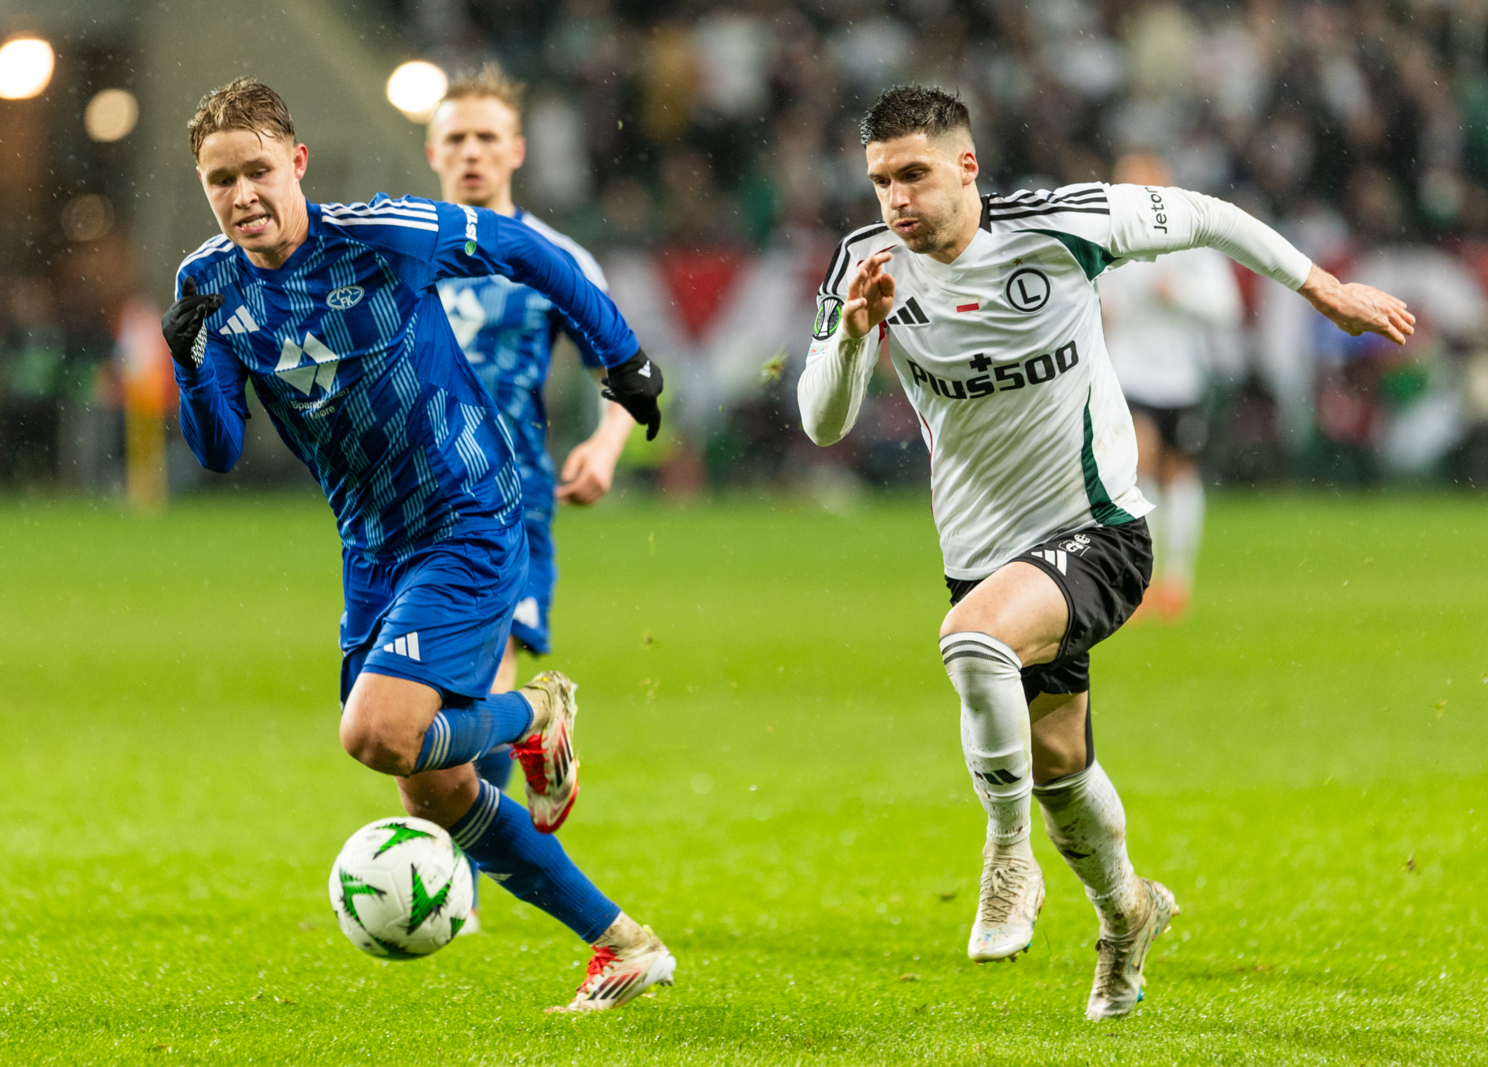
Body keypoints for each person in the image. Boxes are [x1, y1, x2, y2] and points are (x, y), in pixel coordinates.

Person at [797, 85, 1412, 1019]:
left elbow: (1205, 215)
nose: (896, 201)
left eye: (913, 174)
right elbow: (821, 421)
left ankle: (1007, 862)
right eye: (881, 181)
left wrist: (1321, 289)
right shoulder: (865, 264)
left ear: (966, 166)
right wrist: (850, 333)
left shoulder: (1062, 224)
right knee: (1057, 764)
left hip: (1099, 532)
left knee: (970, 642)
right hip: (987, 553)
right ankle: (1127, 913)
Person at [161, 77, 674, 1012]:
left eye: (259, 171)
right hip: (371, 550)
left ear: (298, 163)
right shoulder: (211, 287)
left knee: (375, 732)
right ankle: (622, 944)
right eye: (220, 180)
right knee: (434, 791)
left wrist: (625, 359)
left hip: (469, 517)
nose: (243, 196)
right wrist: (191, 366)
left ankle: (532, 713)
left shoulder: (381, 234)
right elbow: (221, 450)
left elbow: (523, 249)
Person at [423, 66, 638, 932]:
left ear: (514, 150)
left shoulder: (550, 256)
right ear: (433, 153)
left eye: (486, 138)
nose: (472, 152)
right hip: (410, 508)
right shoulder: (408, 247)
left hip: (507, 498)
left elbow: (623, 364)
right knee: (421, 704)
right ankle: (530, 733)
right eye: (456, 139)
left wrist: (605, 443)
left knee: (482, 672)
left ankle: (459, 882)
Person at [1098, 152, 1243, 620]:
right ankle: (1143, 579)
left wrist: (1176, 295)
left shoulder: (1190, 239)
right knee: (1138, 469)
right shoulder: (1110, 239)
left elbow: (1227, 306)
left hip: (1181, 377)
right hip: (1130, 373)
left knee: (1179, 475)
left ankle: (1177, 579)